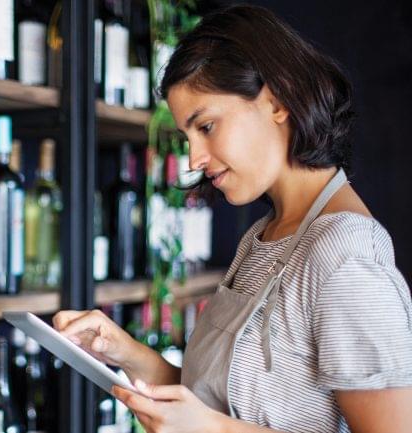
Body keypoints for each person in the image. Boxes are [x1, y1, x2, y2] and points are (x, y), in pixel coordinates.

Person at [54, 5, 412, 433]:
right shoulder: (264, 237)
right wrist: (124, 352)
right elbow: (211, 407)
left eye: (205, 126)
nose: (194, 159)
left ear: (277, 100)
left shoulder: (345, 257)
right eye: (187, 138)